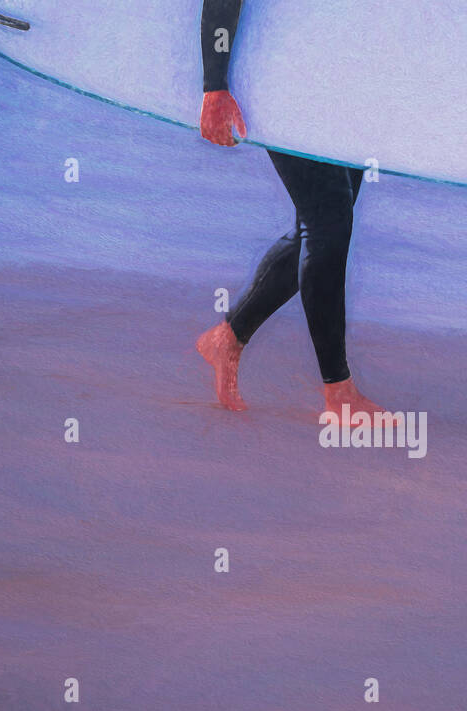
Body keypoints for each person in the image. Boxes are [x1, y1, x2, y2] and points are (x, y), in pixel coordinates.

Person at [195, 0, 385, 415]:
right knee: (328, 223)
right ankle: (339, 392)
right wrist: (214, 85)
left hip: (335, 81)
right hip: (280, 80)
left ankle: (228, 337)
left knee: (323, 222)